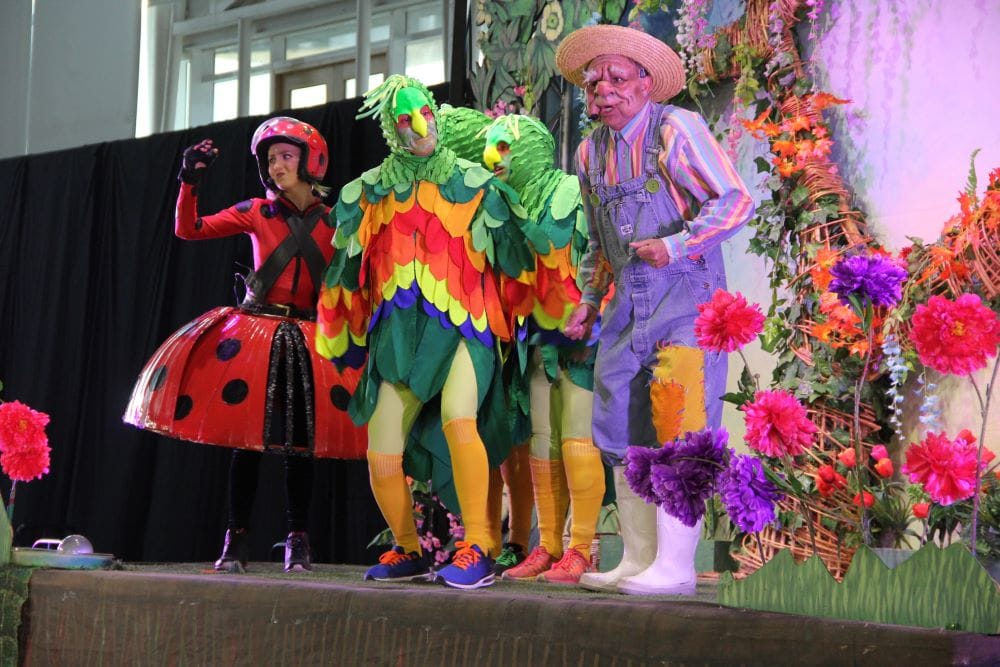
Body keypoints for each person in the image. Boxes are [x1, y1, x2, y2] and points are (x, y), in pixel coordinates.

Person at [315, 76, 543, 590]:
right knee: (381, 450)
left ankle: (479, 545)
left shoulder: (478, 185)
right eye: (405, 119)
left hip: (469, 326)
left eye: (426, 114)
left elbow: (517, 264)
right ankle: (409, 547)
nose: (421, 126)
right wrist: (340, 319)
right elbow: (346, 272)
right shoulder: (371, 192)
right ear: (392, 130)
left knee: (460, 420)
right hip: (399, 334)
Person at [555, 24, 754, 594]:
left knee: (681, 425)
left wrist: (676, 244)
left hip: (686, 300)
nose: (604, 93)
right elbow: (598, 240)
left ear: (646, 84)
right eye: (594, 85)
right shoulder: (590, 150)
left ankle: (677, 569)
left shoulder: (677, 129)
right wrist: (590, 303)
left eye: (618, 79)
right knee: (621, 425)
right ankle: (638, 560)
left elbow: (737, 199)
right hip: (625, 311)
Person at [124, 117, 366, 573]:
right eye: (271, 158)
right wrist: (190, 181)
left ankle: (298, 538)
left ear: (310, 161)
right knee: (247, 439)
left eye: (286, 156)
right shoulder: (258, 211)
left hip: (312, 338)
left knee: (300, 441)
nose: (277, 165)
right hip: (258, 333)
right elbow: (189, 228)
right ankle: (235, 538)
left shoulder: (338, 221)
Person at [480, 114, 606, 584]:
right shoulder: (509, 201)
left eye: (504, 147)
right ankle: (549, 545)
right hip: (535, 336)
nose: (495, 157)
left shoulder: (570, 191)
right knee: (542, 443)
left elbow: (587, 252)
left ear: (531, 149)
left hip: (579, 338)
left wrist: (594, 314)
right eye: (491, 147)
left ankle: (582, 547)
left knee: (577, 439)